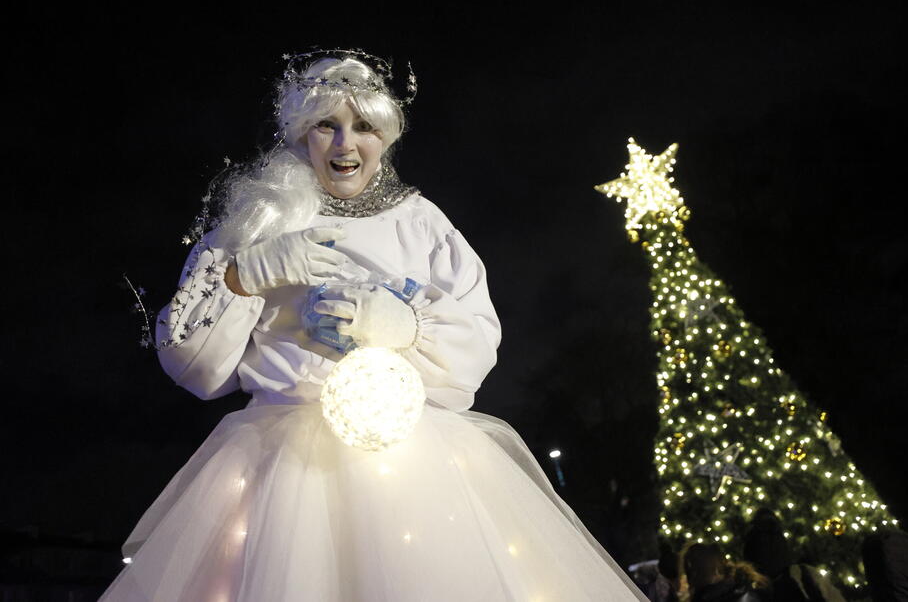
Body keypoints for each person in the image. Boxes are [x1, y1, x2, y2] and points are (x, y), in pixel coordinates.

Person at [100, 50, 651, 601]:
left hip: (412, 463)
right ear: (300, 135)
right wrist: (246, 274)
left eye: (363, 126)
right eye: (326, 126)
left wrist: (407, 326)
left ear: (384, 136)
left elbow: (478, 345)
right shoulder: (258, 221)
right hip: (280, 469)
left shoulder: (422, 222)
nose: (346, 144)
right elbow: (191, 363)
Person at [682, 542, 771, 602]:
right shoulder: (704, 595)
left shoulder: (744, 595)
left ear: (715, 569)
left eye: (698, 570)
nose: (692, 577)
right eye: (689, 572)